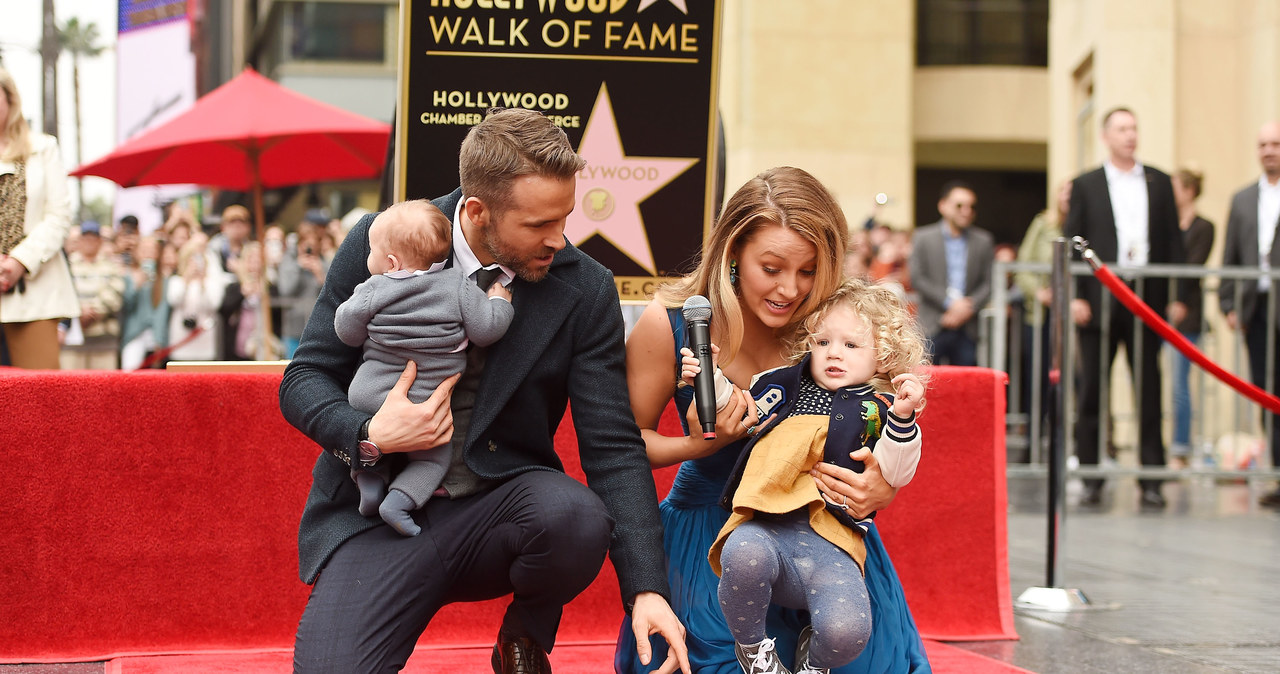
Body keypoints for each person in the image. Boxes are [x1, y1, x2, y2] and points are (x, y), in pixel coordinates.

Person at [279, 107, 689, 674]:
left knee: (577, 519)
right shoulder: (385, 240)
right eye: (538, 224)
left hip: (502, 508)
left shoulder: (584, 286)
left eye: (564, 217)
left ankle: (523, 638)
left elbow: (613, 448)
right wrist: (370, 435)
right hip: (383, 513)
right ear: (476, 211)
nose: (559, 240)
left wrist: (648, 588)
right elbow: (303, 379)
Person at [616, 166, 930, 674]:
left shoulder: (835, 321)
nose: (790, 289)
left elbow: (886, 427)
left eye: (808, 271)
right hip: (712, 533)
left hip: (823, 529)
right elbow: (625, 447)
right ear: (733, 253)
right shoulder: (671, 321)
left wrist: (879, 488)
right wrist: (695, 447)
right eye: (772, 267)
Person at [691, 279, 928, 674]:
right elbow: (736, 407)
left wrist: (903, 418)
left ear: (883, 357)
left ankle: (813, 665)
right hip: (766, 529)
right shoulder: (784, 388)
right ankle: (753, 651)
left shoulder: (880, 409)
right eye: (822, 342)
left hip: (831, 548)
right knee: (741, 554)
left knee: (847, 632)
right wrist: (708, 373)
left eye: (851, 345)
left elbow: (895, 471)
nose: (834, 353)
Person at [333, 199, 513, 536]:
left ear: (390, 261)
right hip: (428, 406)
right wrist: (499, 304)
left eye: (371, 251)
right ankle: (400, 500)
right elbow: (486, 331)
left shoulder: (374, 288)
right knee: (432, 460)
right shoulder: (458, 286)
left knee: (375, 435)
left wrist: (358, 308)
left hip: (369, 393)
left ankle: (370, 477)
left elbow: (346, 330)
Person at [1063, 107, 1186, 509]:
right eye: (1121, 129)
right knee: (1093, 390)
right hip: (1099, 300)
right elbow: (1074, 243)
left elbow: (1173, 243)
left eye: (1134, 128)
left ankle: (1152, 477)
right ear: (1106, 136)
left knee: (1149, 387)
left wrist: (1178, 296)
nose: (1130, 135)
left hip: (1145, 298)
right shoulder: (1086, 184)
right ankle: (1093, 474)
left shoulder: (1160, 182)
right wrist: (1077, 295)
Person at [1218, 120, 1280, 508]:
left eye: (1275, 143)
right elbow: (1230, 255)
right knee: (1267, 393)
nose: (1269, 150)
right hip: (1256, 312)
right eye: (1263, 144)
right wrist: (1228, 303)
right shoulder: (1242, 200)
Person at [0, 66, 79, 368]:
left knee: (38, 405)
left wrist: (19, 262)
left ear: (10, 99)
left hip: (35, 296)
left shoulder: (43, 148)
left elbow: (59, 216)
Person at [909, 181, 994, 367]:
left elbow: (989, 283)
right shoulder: (923, 237)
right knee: (927, 383)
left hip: (968, 326)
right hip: (932, 323)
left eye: (971, 206)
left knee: (966, 387)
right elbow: (917, 277)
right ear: (943, 206)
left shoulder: (983, 241)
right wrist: (951, 304)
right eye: (959, 205)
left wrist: (967, 308)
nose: (966, 211)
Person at [1167, 167, 1215, 468]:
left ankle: (1181, 446)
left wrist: (1180, 300)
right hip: (1162, 314)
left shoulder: (1203, 227)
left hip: (1189, 315)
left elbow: (1193, 265)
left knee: (1179, 384)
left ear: (1188, 191)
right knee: (1166, 382)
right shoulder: (1169, 227)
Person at [61, 220, 126, 370]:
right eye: (86, 238)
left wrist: (94, 311)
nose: (89, 242)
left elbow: (115, 292)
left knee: (103, 389)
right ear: (80, 241)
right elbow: (61, 291)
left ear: (100, 241)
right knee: (70, 387)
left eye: (94, 238)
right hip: (73, 340)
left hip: (104, 340)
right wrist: (79, 311)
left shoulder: (112, 266)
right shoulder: (67, 265)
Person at [119, 235, 171, 370]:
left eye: (151, 250)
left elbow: (162, 310)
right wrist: (135, 286)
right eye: (144, 250)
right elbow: (125, 306)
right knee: (129, 372)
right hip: (133, 333)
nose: (148, 254)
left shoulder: (163, 279)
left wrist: (159, 340)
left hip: (154, 334)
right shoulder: (128, 275)